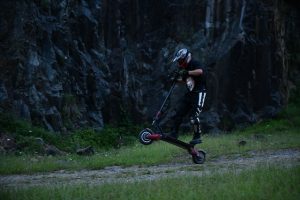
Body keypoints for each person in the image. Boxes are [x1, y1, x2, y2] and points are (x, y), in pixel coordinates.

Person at [169, 48, 207, 145]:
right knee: (178, 113)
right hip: (190, 93)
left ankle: (197, 136)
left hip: (199, 93)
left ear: (186, 57)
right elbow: (186, 80)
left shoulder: (194, 63)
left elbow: (200, 72)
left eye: (180, 60)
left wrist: (187, 72)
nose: (179, 62)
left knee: (194, 117)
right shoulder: (184, 68)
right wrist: (176, 80)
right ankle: (174, 133)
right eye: (178, 61)